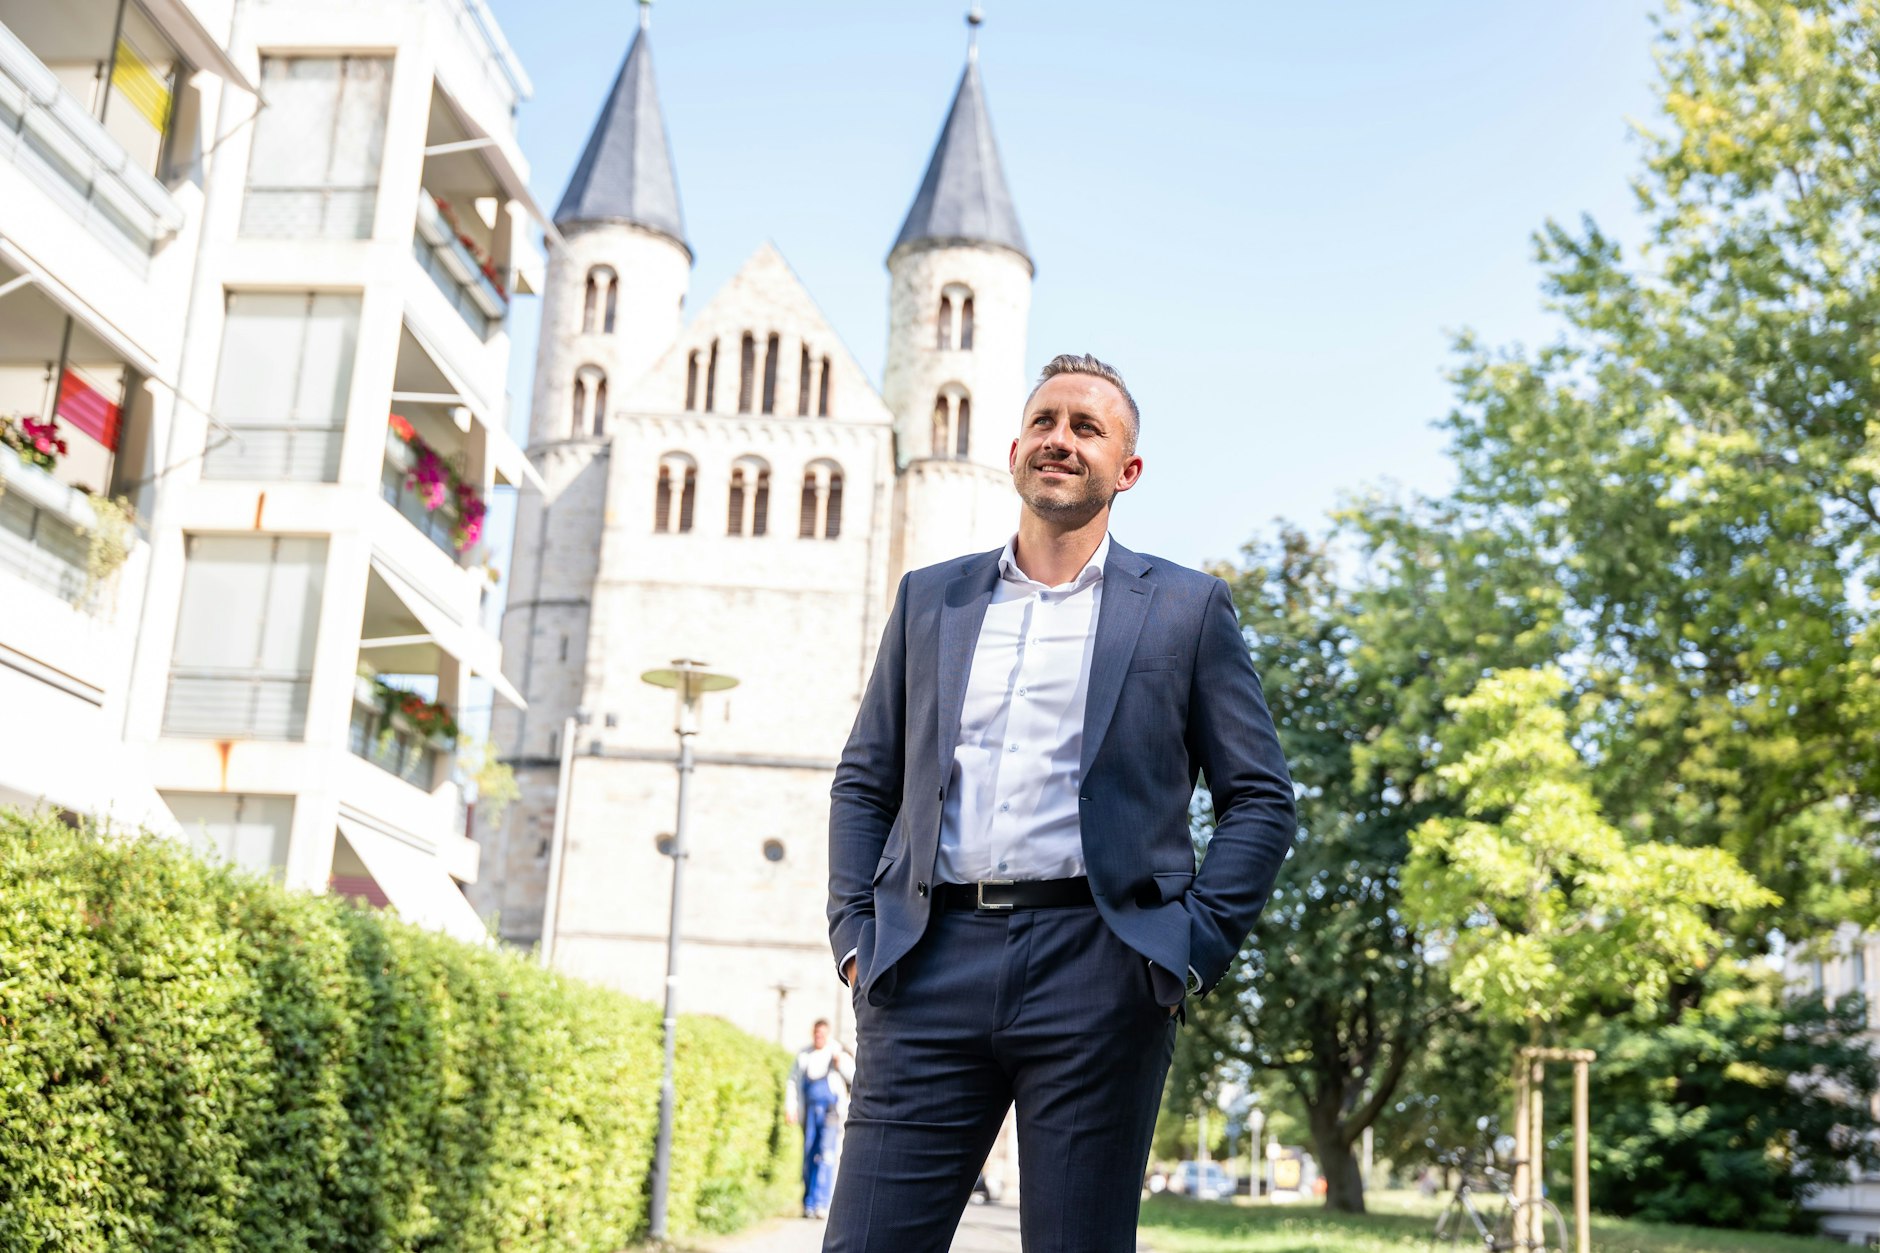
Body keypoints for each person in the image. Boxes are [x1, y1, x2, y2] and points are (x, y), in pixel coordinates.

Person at [823, 354, 1296, 1252]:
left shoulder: (1186, 609)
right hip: (924, 964)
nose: (1060, 440)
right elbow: (865, 779)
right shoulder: (931, 599)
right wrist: (856, 939)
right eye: (1044, 421)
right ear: (1014, 451)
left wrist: (1186, 951)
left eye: (1087, 428)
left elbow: (1261, 799)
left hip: (1101, 970)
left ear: (1128, 469)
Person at [786, 1018, 855, 1219]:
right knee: (809, 1155)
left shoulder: (836, 1053)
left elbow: (854, 1077)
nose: (819, 1037)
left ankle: (822, 1203)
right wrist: (791, 1107)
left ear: (827, 1034)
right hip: (810, 1112)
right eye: (816, 1034)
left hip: (830, 1113)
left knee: (826, 1156)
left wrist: (839, 1062)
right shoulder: (804, 1055)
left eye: (822, 1034)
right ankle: (808, 1202)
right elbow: (793, 1082)